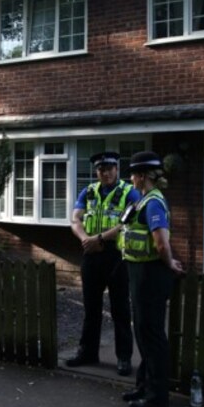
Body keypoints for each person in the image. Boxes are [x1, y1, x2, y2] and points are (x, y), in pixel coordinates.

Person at [119, 151, 184, 407]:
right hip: (139, 273)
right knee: (142, 332)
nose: (131, 178)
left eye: (133, 173)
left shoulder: (154, 203)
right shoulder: (144, 200)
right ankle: (144, 387)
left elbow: (160, 243)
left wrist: (169, 263)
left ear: (143, 176)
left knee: (152, 335)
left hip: (151, 275)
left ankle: (157, 399)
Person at [66, 151, 140, 376]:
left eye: (109, 168)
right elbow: (75, 218)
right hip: (91, 252)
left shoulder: (129, 192)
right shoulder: (88, 191)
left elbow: (130, 221)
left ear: (117, 169)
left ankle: (124, 358)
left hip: (116, 255)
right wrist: (85, 239)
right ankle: (87, 353)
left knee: (120, 309)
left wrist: (100, 238)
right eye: (101, 169)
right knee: (91, 308)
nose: (105, 173)